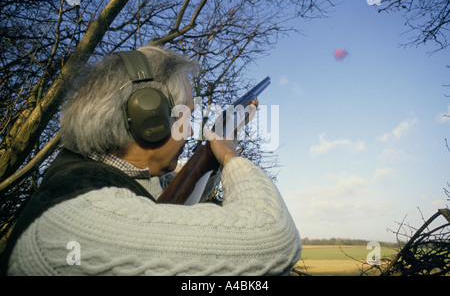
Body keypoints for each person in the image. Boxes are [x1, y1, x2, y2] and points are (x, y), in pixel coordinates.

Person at [4, 46, 301, 276]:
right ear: (151, 119)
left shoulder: (96, 180)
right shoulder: (75, 221)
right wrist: (230, 157)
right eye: (187, 115)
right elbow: (274, 240)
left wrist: (213, 154)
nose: (190, 129)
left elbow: (173, 201)